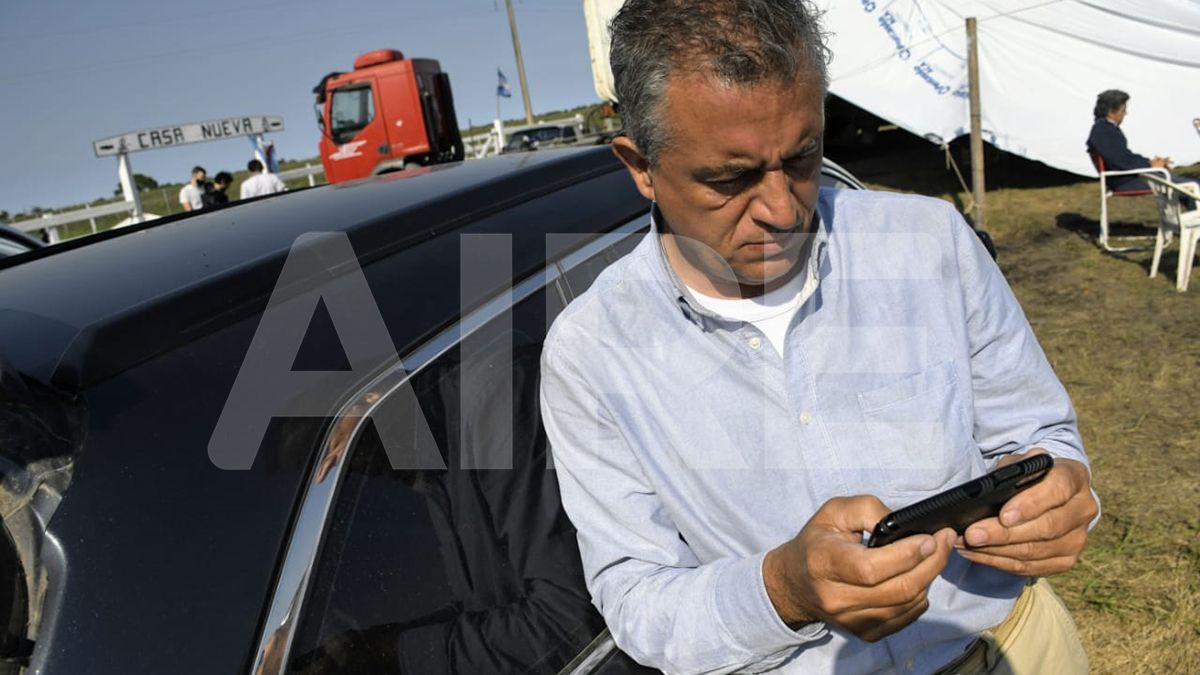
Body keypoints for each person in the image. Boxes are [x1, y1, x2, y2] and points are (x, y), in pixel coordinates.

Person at [539, 1, 1099, 674]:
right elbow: (636, 598)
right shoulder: (590, 355)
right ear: (641, 166)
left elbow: (1041, 435)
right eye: (730, 178)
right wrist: (783, 589)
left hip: (1015, 646)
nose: (782, 209)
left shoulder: (930, 244)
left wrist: (1061, 494)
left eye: (803, 158)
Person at [1087, 89, 1196, 208]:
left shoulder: (1105, 129)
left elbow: (1125, 157)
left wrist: (1150, 163)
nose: (1125, 113)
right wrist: (1150, 166)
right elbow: (1121, 161)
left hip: (1127, 177)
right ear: (1112, 112)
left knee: (1187, 184)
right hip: (1125, 181)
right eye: (1123, 110)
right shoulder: (1104, 131)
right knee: (1190, 187)